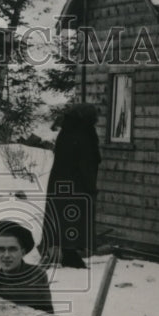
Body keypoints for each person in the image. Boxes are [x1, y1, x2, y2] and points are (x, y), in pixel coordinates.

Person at [41, 102, 101, 269]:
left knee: (63, 218)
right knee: (75, 218)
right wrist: (90, 186)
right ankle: (69, 254)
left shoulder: (67, 131)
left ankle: (63, 252)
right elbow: (87, 161)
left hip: (60, 182)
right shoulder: (84, 133)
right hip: (77, 183)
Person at [0, 221, 54, 314]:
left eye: (12, 249)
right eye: (1, 249)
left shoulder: (36, 274)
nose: (6, 255)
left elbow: (27, 296)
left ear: (23, 252)